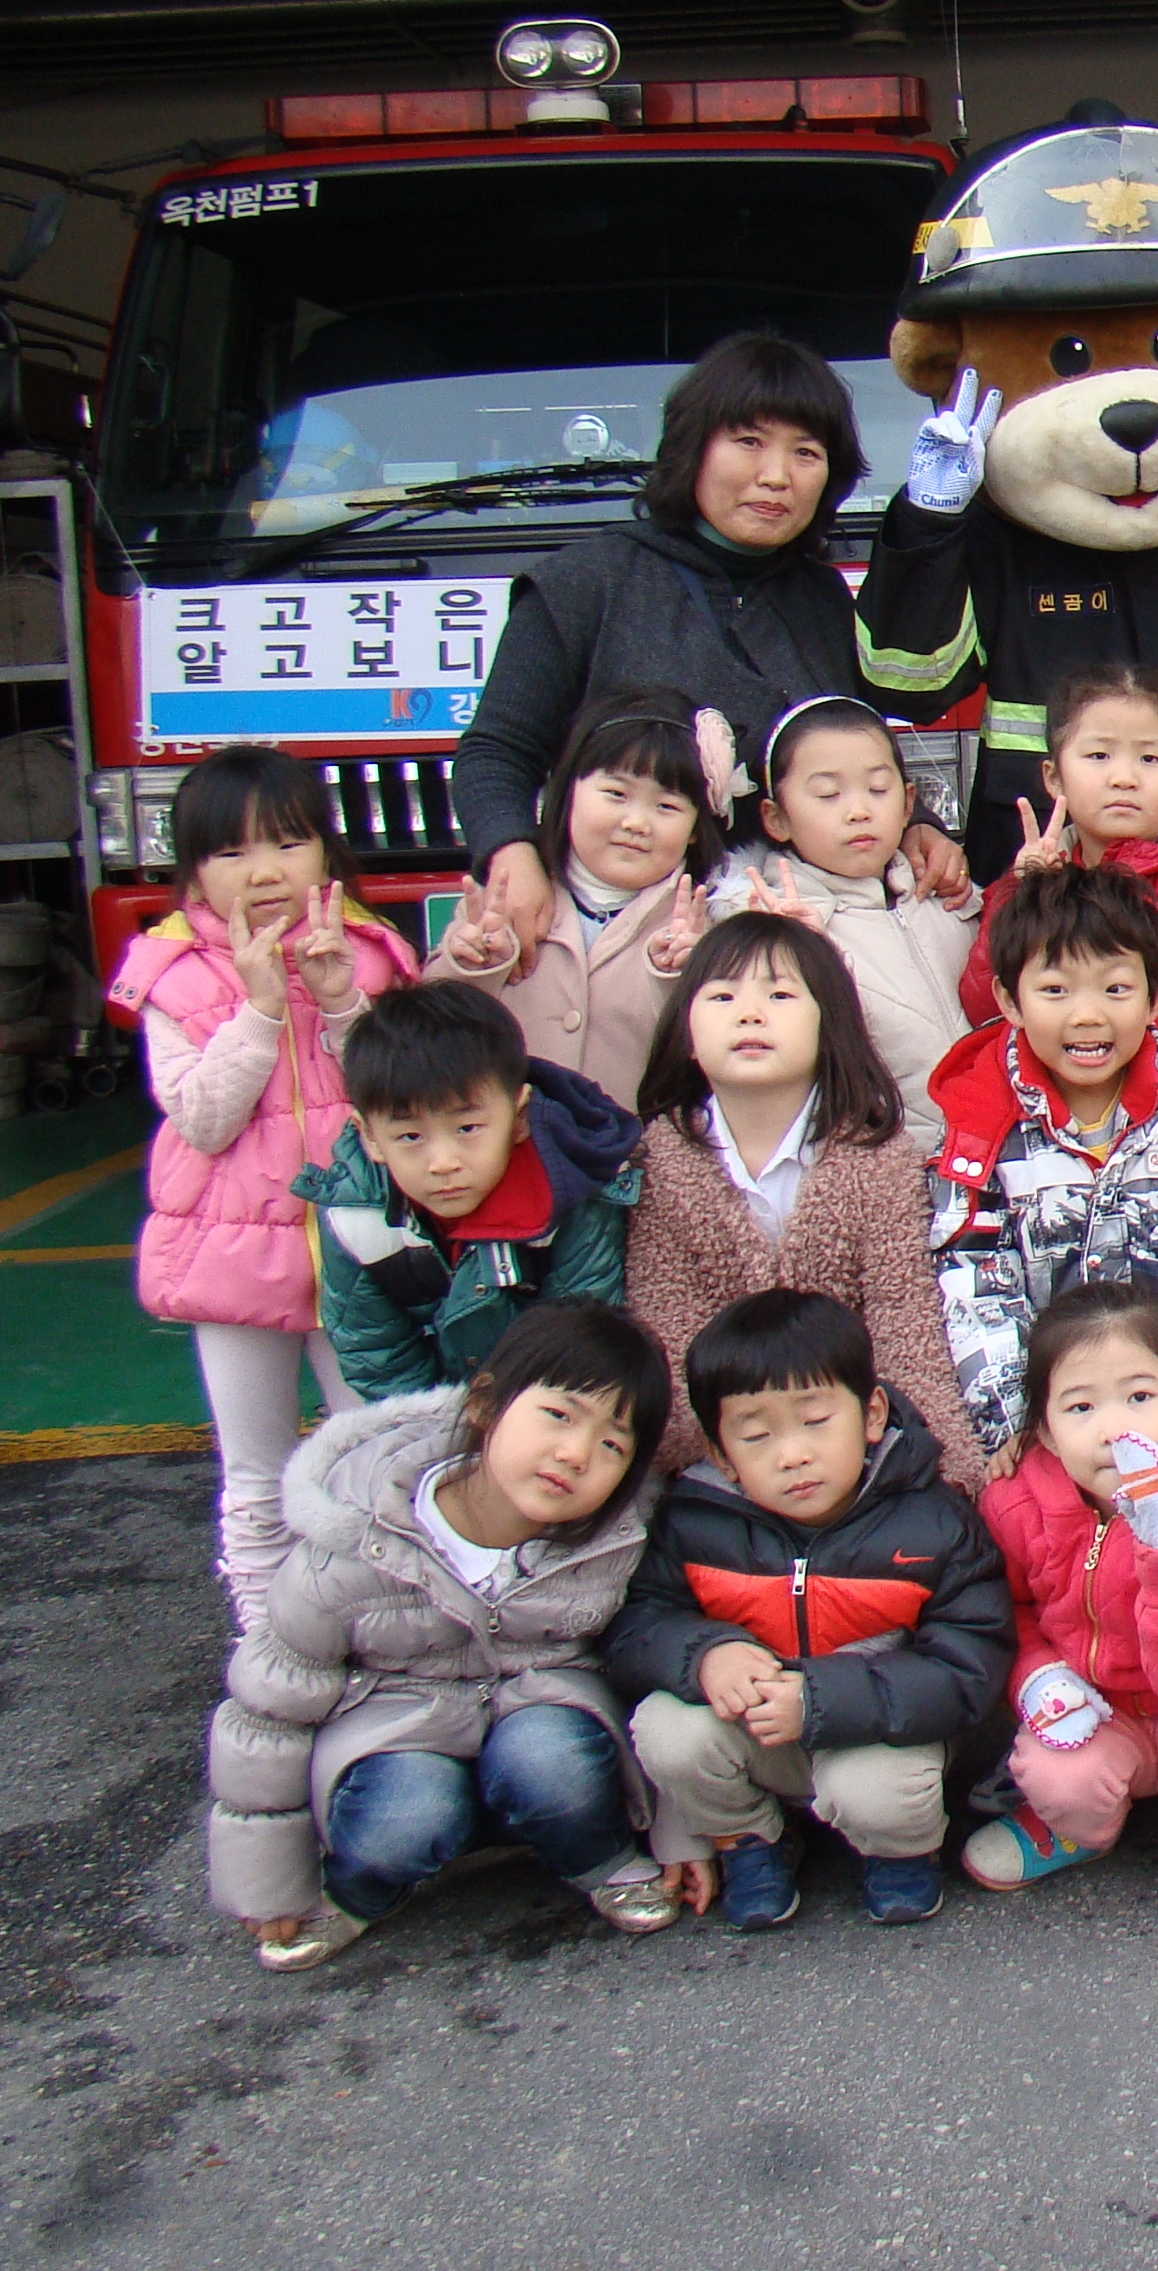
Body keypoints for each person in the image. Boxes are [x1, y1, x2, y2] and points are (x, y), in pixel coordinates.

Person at [452, 331, 970, 965]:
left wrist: (917, 829)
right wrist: (511, 853)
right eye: (748, 441)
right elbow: (496, 752)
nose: (775, 476)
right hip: (624, 944)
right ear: (692, 448)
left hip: (789, 947)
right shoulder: (584, 584)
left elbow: (852, 751)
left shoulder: (822, 596)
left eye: (806, 452)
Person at [205, 1302, 679, 1971]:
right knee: (407, 1815)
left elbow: (661, 1670)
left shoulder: (616, 1546)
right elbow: (267, 1711)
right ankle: (357, 1891)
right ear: (484, 1405)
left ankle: (599, 1858)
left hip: (541, 1720)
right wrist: (270, 1884)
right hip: (396, 1732)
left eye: (612, 1445)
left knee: (553, 1763)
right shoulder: (359, 1539)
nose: (575, 1454)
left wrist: (682, 1836)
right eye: (559, 1415)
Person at [108, 744, 420, 1629]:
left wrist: (339, 1002)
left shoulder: (370, 955)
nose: (265, 871)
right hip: (233, 1257)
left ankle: (381, 1635)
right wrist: (258, 1009)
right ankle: (264, 1642)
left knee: (373, 1456)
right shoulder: (171, 974)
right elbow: (203, 1121)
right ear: (193, 872)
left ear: (326, 849)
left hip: (362, 1250)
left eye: (288, 842)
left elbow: (401, 1100)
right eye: (231, 851)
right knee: (255, 1474)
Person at [610, 1289, 1010, 1931]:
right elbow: (638, 1627)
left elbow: (970, 1665)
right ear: (721, 1453)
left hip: (880, 1733)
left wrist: (819, 1699)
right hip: (755, 1730)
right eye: (756, 1434)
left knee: (877, 1793)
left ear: (871, 1414)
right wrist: (705, 1654)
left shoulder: (933, 1521)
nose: (792, 1454)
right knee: (667, 1730)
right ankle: (749, 1838)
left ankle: (899, 1851)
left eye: (816, 1420)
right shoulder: (695, 1521)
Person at [929, 863, 1158, 1458]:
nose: (1087, 1015)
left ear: (1156, 995)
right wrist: (1014, 1422)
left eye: (1115, 989)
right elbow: (972, 1277)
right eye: (1055, 991)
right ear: (1009, 999)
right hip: (1048, 1424)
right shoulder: (980, 1123)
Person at [963, 1285, 1158, 1926]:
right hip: (1096, 1710)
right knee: (1057, 1778)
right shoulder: (1013, 1504)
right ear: (1045, 1432)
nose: (1114, 1430)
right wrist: (1038, 1678)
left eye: (1140, 1397)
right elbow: (1006, 1613)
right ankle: (1078, 1829)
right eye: (1080, 1407)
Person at [621, 915, 976, 1486]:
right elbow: (669, 1334)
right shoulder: (660, 1162)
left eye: (780, 995)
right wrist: (733, 1459)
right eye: (722, 996)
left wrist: (943, 1477)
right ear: (686, 1033)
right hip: (721, 1467)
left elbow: (906, 1332)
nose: (749, 1013)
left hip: (860, 1456)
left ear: (829, 1025)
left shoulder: (881, 1162)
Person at [297, 982, 639, 1403]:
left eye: (467, 1128)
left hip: (546, 1407)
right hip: (424, 1413)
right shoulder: (355, 1216)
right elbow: (379, 1358)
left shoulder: (574, 1199)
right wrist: (437, 1432)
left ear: (520, 1116)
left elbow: (577, 1343)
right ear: (369, 1136)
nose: (443, 1162)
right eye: (410, 1136)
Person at [955, 667, 1158, 1070]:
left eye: (1150, 758)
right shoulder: (1035, 877)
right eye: (1099, 756)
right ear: (1054, 777)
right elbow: (984, 1010)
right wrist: (1020, 891)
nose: (1124, 778)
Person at [713, 696, 981, 1158]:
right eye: (827, 795)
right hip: (875, 1171)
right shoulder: (766, 926)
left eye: (877, 789)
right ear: (776, 818)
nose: (858, 810)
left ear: (908, 804)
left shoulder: (951, 898)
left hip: (995, 1161)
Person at [431, 688, 717, 1103]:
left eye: (667, 807)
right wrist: (471, 968)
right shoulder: (502, 902)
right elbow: (427, 1031)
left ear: (695, 828)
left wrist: (685, 976)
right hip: (516, 1138)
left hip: (638, 1140)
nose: (636, 823)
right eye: (616, 794)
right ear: (567, 793)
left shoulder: (706, 921)